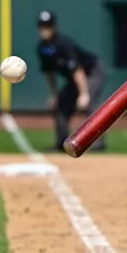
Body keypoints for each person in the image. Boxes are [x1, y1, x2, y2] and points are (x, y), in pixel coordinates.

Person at [36, 10, 107, 152]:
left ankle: (98, 142)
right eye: (42, 26)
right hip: (76, 77)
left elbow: (77, 70)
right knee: (61, 106)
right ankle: (61, 143)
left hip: (92, 71)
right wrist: (54, 94)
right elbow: (49, 73)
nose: (45, 29)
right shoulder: (42, 48)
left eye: (48, 26)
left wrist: (84, 94)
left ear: (54, 27)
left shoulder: (63, 44)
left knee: (89, 103)